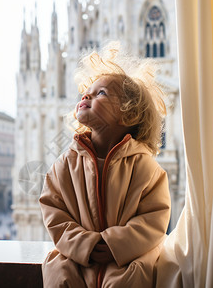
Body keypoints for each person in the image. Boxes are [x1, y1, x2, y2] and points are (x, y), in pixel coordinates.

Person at [39, 42, 171, 288]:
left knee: (133, 277)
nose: (86, 95)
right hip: (77, 257)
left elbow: (155, 216)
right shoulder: (67, 162)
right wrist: (83, 244)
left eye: (101, 93)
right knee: (59, 273)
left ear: (129, 114)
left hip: (125, 259)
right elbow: (52, 209)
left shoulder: (144, 166)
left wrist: (114, 244)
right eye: (86, 91)